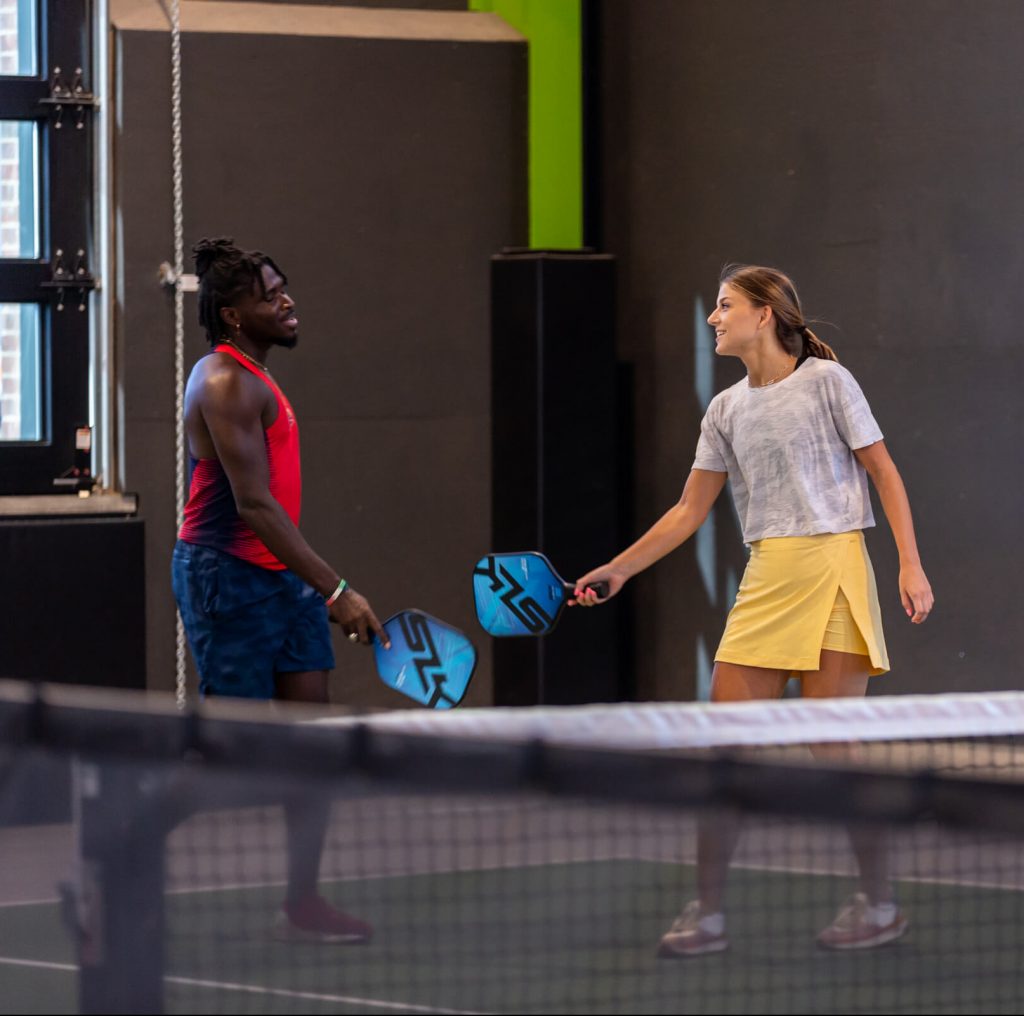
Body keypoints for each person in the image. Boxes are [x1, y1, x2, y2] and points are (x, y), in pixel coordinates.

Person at [573, 263, 934, 955]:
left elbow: (883, 470)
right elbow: (687, 512)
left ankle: (879, 904)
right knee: (724, 753)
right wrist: (619, 568)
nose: (714, 317)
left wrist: (909, 563)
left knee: (836, 757)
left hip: (832, 568)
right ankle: (707, 912)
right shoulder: (726, 408)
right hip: (767, 578)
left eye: (726, 305)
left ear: (764, 313)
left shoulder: (829, 382)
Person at [172, 236, 389, 943]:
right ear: (233, 315)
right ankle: (109, 850)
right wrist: (338, 589)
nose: (286, 301)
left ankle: (301, 902)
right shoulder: (225, 382)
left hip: (278, 575)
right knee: (227, 757)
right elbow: (254, 506)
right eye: (269, 296)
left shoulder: (257, 376)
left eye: (283, 288)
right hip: (226, 577)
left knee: (311, 746)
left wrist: (315, 585)